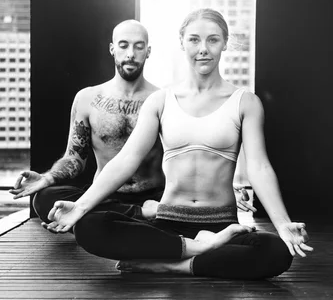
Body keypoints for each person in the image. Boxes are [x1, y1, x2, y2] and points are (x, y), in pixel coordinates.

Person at [43, 8, 312, 280]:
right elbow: (127, 159)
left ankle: (174, 264)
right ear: (182, 42)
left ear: (225, 43)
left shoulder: (246, 102)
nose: (203, 49)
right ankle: (200, 249)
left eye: (213, 40)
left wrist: (282, 223)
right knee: (89, 226)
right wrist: (80, 207)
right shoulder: (161, 100)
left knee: (277, 251)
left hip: (220, 223)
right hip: (168, 221)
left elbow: (259, 167)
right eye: (194, 40)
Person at [9, 19, 254, 222]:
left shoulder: (163, 100)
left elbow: (191, 155)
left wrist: (221, 190)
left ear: (148, 51)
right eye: (124, 45)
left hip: (157, 197)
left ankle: (118, 219)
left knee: (103, 220)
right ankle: (133, 217)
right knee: (44, 199)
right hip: (103, 195)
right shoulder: (87, 99)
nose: (130, 54)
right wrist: (47, 178)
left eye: (138, 46)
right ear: (112, 48)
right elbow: (75, 157)